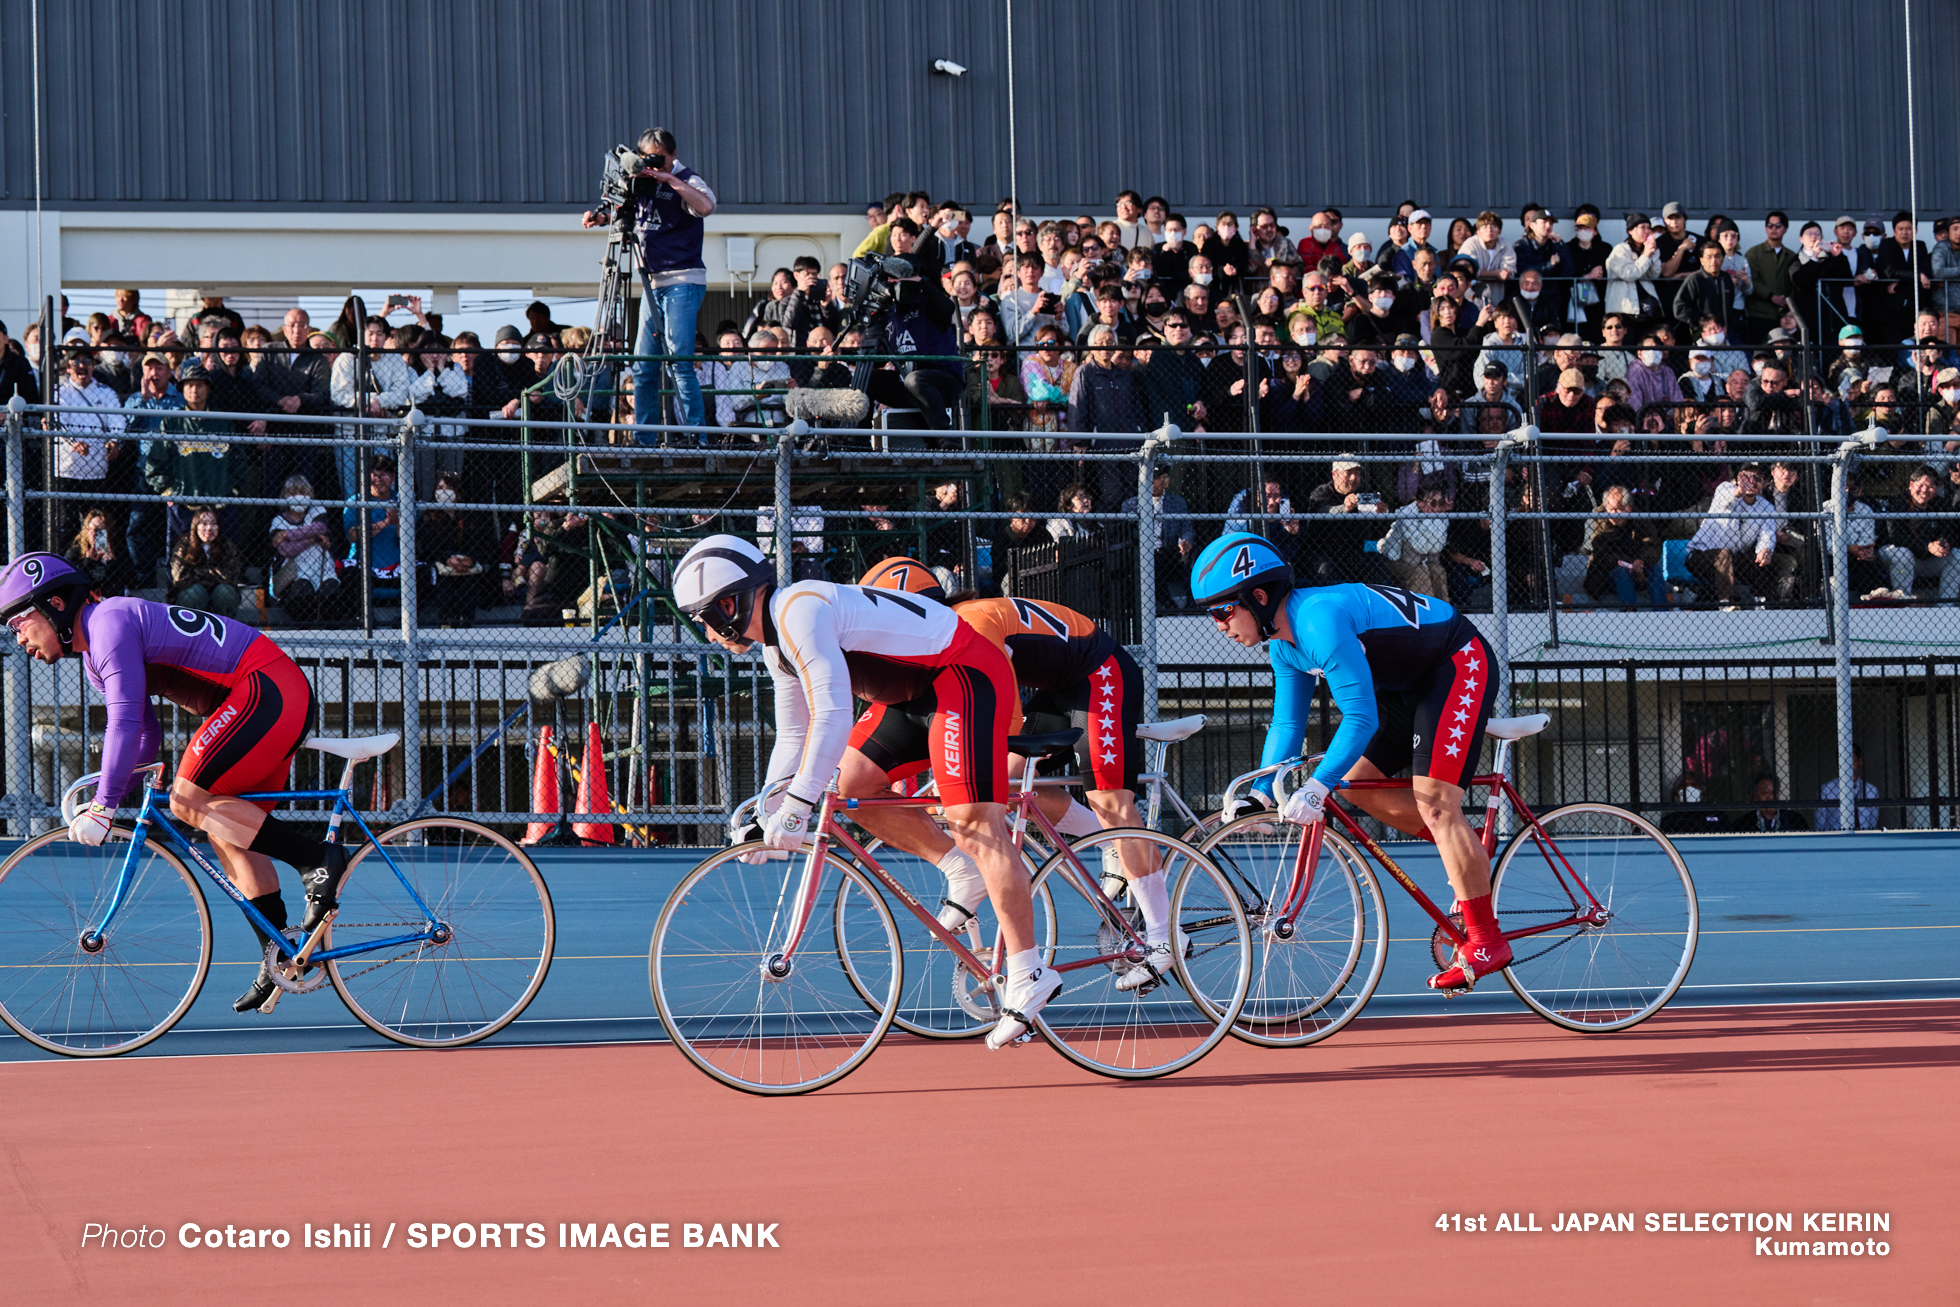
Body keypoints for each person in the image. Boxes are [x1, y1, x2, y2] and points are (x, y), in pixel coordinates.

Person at [672, 535, 1059, 1049]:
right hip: (916, 688)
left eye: (703, 617)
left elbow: (832, 717)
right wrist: (768, 807)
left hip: (963, 673)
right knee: (851, 786)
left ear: (728, 603)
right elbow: (794, 735)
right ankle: (957, 869)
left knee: (973, 821)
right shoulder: (777, 647)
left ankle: (1030, 972)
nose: (706, 632)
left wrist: (797, 807)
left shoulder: (798, 613)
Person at [2, 552, 347, 1013]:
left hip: (264, 688)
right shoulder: (95, 651)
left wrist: (104, 806)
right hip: (261, 696)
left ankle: (317, 859)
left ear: (56, 604)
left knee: (187, 800)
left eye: (19, 621)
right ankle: (281, 953)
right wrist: (112, 796)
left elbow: (123, 723)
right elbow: (145, 733)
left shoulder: (109, 623)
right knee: (226, 835)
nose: (17, 636)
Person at [1191, 536, 1508, 993]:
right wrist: (1260, 793)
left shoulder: (1318, 622)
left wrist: (1316, 786)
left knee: (1436, 803)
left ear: (1258, 598)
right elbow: (1287, 721)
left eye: (1222, 611)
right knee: (1358, 786)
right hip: (1404, 686)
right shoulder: (1282, 644)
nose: (1218, 626)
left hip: (1455, 661)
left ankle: (1485, 940)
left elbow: (1360, 717)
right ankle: (1469, 850)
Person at [859, 563, 1176, 990]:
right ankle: (1101, 843)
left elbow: (1000, 698)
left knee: (1112, 803)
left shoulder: (969, 624)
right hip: (1059, 684)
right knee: (1008, 788)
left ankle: (1163, 937)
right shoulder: (946, 628)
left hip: (1099, 671)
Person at [582, 127, 715, 434]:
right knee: (642, 368)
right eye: (648, 159)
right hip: (652, 284)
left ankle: (697, 438)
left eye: (661, 159)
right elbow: (621, 209)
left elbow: (707, 206)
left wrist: (669, 179)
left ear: (674, 154)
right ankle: (645, 440)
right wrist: (599, 217)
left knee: (680, 362)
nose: (654, 165)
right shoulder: (639, 180)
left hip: (682, 280)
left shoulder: (688, 179)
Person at [267, 475, 343, 626]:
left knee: (332, 589)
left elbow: (320, 527)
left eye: (303, 492)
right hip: (294, 573)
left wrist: (287, 534)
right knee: (302, 589)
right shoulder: (278, 521)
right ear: (285, 496)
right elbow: (286, 550)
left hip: (321, 569)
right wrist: (311, 539)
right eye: (293, 492)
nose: (299, 496)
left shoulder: (317, 511)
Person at [168, 509, 245, 618]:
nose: (209, 528)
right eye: (204, 523)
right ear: (196, 526)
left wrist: (198, 573)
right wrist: (214, 573)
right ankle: (192, 632)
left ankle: (224, 631)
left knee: (224, 592)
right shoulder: (184, 545)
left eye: (213, 524)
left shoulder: (227, 546)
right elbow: (180, 577)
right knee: (196, 592)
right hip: (193, 594)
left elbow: (232, 577)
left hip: (219, 595)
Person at [64, 507, 138, 599]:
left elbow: (132, 582)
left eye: (100, 531)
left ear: (108, 532)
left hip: (111, 599)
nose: (95, 534)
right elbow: (70, 581)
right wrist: (87, 562)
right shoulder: (76, 552)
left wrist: (112, 562)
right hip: (84, 601)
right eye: (91, 530)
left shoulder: (118, 550)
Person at [1815, 743, 1880, 831]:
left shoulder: (1871, 790)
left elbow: (1873, 822)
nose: (1847, 764)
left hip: (1864, 837)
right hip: (1836, 838)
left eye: (1851, 760)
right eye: (1843, 760)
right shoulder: (1827, 789)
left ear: (1859, 761)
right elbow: (1820, 824)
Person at [1729, 774, 1809, 833]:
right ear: (1755, 797)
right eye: (1765, 793)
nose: (1771, 797)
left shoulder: (1795, 819)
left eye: (1774, 793)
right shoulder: (1742, 823)